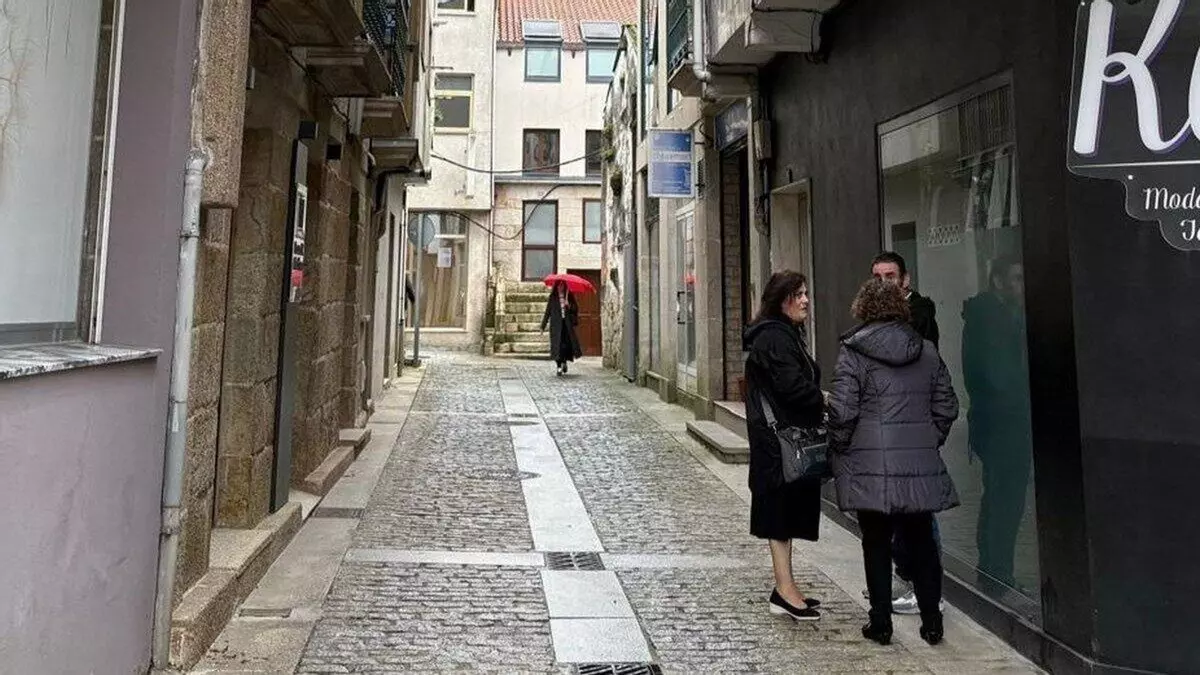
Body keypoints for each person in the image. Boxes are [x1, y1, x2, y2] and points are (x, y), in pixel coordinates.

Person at [828, 279, 959, 646]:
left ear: (863, 309)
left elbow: (842, 411)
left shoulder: (853, 352)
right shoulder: (926, 350)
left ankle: (880, 622)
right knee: (921, 541)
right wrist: (926, 440)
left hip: (869, 464)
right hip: (917, 463)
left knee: (876, 542)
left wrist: (842, 448)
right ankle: (932, 622)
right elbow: (947, 405)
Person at [743, 270, 825, 622]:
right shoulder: (775, 338)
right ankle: (784, 590)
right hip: (779, 445)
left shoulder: (783, 334)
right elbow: (791, 387)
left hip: (782, 441)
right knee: (779, 517)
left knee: (785, 515)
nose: (805, 300)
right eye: (798, 294)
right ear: (781, 300)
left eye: (806, 293)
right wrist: (822, 399)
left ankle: (786, 588)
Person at [870, 251, 945, 615]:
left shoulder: (919, 316)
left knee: (920, 512)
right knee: (900, 512)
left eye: (890, 276)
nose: (884, 283)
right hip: (889, 433)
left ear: (905, 279)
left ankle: (929, 591)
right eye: (877, 277)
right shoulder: (879, 320)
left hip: (913, 431)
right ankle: (908, 581)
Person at [962, 257, 1031, 592]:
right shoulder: (992, 320)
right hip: (1002, 423)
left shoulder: (997, 316)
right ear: (998, 281)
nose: (1022, 286)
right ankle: (997, 572)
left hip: (997, 421)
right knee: (1005, 499)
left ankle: (993, 569)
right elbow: (998, 375)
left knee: (999, 498)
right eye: (1016, 278)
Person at [540, 280, 582, 375]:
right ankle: (558, 366)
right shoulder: (553, 297)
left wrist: (569, 305)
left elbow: (576, 308)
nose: (561, 287)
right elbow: (548, 312)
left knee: (565, 346)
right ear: (556, 286)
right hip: (556, 326)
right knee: (557, 347)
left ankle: (564, 362)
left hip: (566, 325)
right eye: (559, 285)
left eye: (562, 285)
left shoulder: (569, 295)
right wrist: (543, 326)